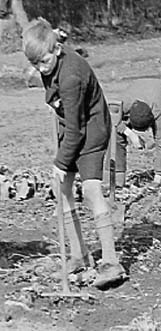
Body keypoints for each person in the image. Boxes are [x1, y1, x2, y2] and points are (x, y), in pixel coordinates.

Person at [22, 18, 126, 288]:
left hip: (91, 129)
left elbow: (77, 130)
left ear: (56, 50)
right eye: (35, 64)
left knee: (91, 190)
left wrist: (60, 162)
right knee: (62, 189)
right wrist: (53, 102)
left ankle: (111, 263)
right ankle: (79, 256)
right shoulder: (51, 59)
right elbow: (61, 105)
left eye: (43, 62)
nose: (40, 69)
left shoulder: (71, 76)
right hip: (71, 123)